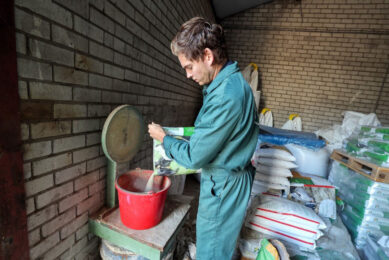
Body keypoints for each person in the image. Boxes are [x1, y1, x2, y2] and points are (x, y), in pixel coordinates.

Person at [148, 17, 258, 260]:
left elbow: (195, 156)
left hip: (223, 186)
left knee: (212, 252)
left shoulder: (225, 96)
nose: (187, 75)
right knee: (218, 246)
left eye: (189, 67)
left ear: (207, 56)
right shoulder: (230, 84)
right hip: (229, 180)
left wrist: (164, 138)